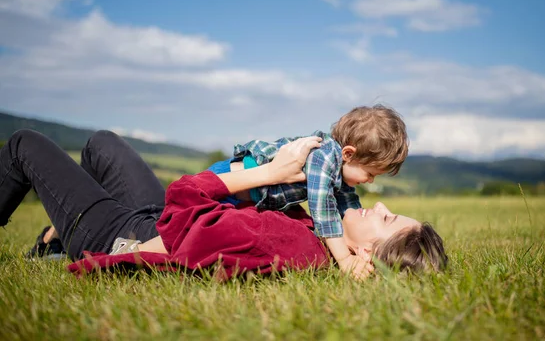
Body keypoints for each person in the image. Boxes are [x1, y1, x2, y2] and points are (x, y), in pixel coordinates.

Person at [0, 129, 447, 279]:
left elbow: (182, 199)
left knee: (23, 143)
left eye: (387, 220)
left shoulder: (285, 243)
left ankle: (72, 233)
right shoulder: (313, 230)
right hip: (156, 219)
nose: (380, 202)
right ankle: (52, 236)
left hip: (125, 234)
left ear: (368, 253)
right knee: (102, 143)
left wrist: (268, 173)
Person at [202, 104, 410, 278]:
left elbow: (348, 204)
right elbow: (323, 209)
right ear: (348, 154)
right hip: (231, 184)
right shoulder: (324, 158)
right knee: (207, 228)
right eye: (370, 173)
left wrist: (355, 240)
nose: (370, 180)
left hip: (249, 197)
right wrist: (345, 259)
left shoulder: (341, 168)